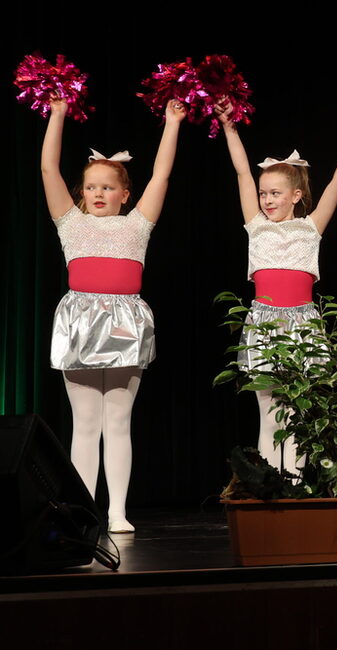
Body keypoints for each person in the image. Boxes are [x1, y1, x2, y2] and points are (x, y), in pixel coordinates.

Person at [41, 97, 185, 533]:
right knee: (85, 424)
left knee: (118, 422)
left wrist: (173, 122)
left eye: (107, 187)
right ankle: (83, 511)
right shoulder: (70, 222)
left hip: (125, 322)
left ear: (125, 194)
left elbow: (161, 175)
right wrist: (58, 114)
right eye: (91, 187)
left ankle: (117, 511)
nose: (98, 194)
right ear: (81, 193)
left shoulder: (137, 224)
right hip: (81, 320)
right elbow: (49, 170)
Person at [216, 101, 337, 476]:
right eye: (263, 193)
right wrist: (230, 129)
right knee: (269, 413)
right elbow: (241, 172)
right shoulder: (256, 226)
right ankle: (268, 485)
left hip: (303, 324)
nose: (267, 200)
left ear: (296, 196)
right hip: (265, 324)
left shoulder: (311, 227)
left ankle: (297, 482)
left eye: (275, 193)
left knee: (299, 411)